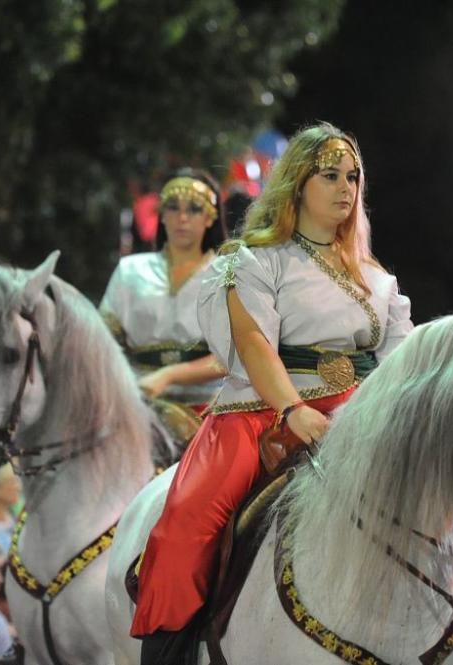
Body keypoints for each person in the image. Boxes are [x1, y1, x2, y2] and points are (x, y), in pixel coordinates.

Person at [131, 123, 413, 663]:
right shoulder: (257, 259)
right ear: (296, 184)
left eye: (352, 177)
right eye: (329, 175)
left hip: (358, 416)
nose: (345, 188)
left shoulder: (379, 280)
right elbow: (255, 343)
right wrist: (294, 409)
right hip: (261, 412)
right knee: (188, 522)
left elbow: (398, 360)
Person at [99, 167, 229, 411]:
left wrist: (168, 375)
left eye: (194, 208)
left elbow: (238, 356)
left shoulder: (230, 272)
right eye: (173, 207)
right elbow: (102, 341)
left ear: (210, 217)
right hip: (135, 402)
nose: (182, 218)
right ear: (161, 214)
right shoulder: (130, 271)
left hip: (211, 406)